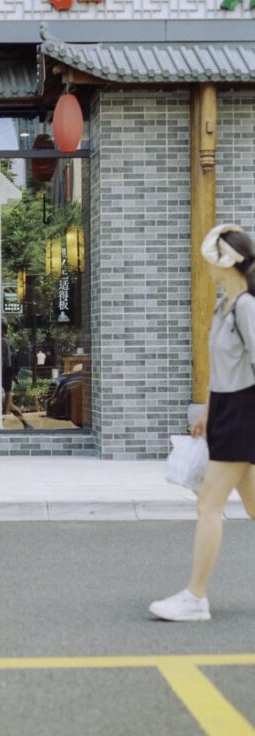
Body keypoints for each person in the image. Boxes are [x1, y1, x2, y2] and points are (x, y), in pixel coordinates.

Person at [150, 224, 255, 621]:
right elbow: (220, 369)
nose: (206, 266)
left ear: (228, 261)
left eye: (212, 259)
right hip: (227, 410)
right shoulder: (222, 305)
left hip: (244, 411)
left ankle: (195, 597)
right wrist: (209, 413)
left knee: (208, 503)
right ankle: (194, 597)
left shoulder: (246, 306)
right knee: (252, 506)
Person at [1, 320, 32, 429]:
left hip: (4, 377)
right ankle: (26, 424)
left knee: (6, 403)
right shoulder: (7, 341)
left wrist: (6, 375)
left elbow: (7, 362)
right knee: (9, 404)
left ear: (2, 330)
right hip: (6, 376)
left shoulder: (3, 341)